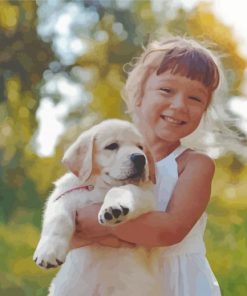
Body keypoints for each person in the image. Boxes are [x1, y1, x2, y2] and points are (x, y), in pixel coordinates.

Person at [71, 36, 222, 295]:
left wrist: (93, 219)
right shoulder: (103, 154)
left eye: (195, 98)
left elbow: (168, 231)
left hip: (175, 283)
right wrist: (79, 221)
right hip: (111, 280)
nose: (179, 105)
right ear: (138, 94)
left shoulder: (194, 164)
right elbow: (71, 230)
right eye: (166, 90)